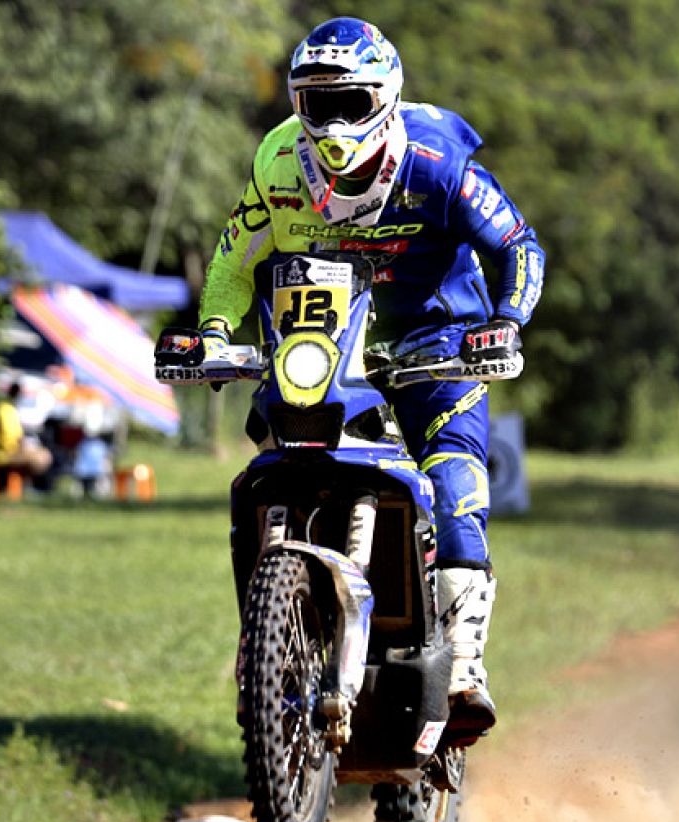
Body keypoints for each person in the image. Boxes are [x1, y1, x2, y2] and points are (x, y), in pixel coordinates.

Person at [196, 17, 546, 740]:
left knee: (455, 485)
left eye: (351, 103)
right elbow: (235, 260)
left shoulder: (435, 164)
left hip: (439, 342)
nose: (333, 123)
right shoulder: (278, 163)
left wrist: (506, 321)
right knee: (267, 473)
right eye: (316, 104)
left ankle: (464, 668)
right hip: (322, 348)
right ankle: (264, 649)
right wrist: (213, 335)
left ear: (385, 98)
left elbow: (518, 243)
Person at [0, 382, 53, 488]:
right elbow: (6, 435)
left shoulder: (0, 408)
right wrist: (20, 445)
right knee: (42, 458)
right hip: (1, 452)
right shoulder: (5, 410)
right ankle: (26, 489)